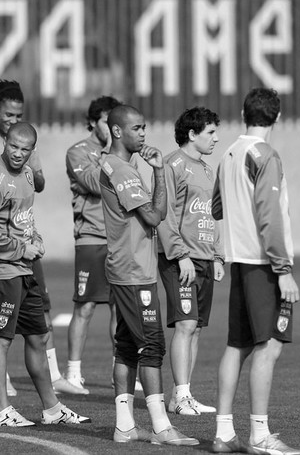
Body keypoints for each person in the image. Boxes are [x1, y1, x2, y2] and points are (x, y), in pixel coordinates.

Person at [0, 80, 83, 395]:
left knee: (40, 311)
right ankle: (3, 386)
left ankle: (53, 379)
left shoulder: (25, 143)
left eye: (19, 116)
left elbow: (34, 188)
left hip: (26, 248)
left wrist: (34, 172)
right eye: (9, 115)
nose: (13, 121)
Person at [0, 122, 91, 427]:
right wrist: (19, 248)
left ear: (31, 151)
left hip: (23, 270)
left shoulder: (27, 174)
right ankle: (3, 412)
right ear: (5, 143)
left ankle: (52, 409)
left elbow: (21, 219)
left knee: (39, 336)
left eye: (25, 149)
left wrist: (34, 237)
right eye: (13, 146)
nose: (18, 153)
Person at [211, 88, 300, 454]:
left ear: (243, 113)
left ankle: (222, 434)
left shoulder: (230, 152)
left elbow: (217, 206)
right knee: (269, 347)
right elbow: (269, 215)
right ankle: (260, 436)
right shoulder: (265, 155)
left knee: (238, 346)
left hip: (239, 264)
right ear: (277, 117)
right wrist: (283, 269)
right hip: (264, 266)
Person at [100, 105, 198, 446]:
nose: (143, 133)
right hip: (133, 272)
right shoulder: (120, 169)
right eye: (137, 128)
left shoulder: (124, 165)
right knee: (151, 346)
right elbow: (155, 216)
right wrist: (158, 172)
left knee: (127, 347)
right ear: (117, 132)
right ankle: (160, 427)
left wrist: (153, 170)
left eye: (144, 127)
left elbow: (152, 215)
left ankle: (125, 427)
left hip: (131, 268)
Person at [157, 107, 224, 416]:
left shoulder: (209, 170)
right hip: (180, 259)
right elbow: (165, 215)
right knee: (184, 324)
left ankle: (183, 395)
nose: (216, 138)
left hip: (205, 258)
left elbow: (216, 215)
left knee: (195, 327)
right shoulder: (172, 165)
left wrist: (219, 254)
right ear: (192, 134)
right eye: (210, 132)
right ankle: (180, 395)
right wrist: (181, 255)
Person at [63, 96, 121, 394]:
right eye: (106, 122)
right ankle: (73, 373)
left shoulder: (124, 153)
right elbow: (98, 185)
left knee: (119, 309)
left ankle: (119, 374)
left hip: (119, 240)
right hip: (91, 239)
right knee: (84, 307)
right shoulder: (78, 152)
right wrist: (112, 153)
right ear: (93, 122)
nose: (112, 128)